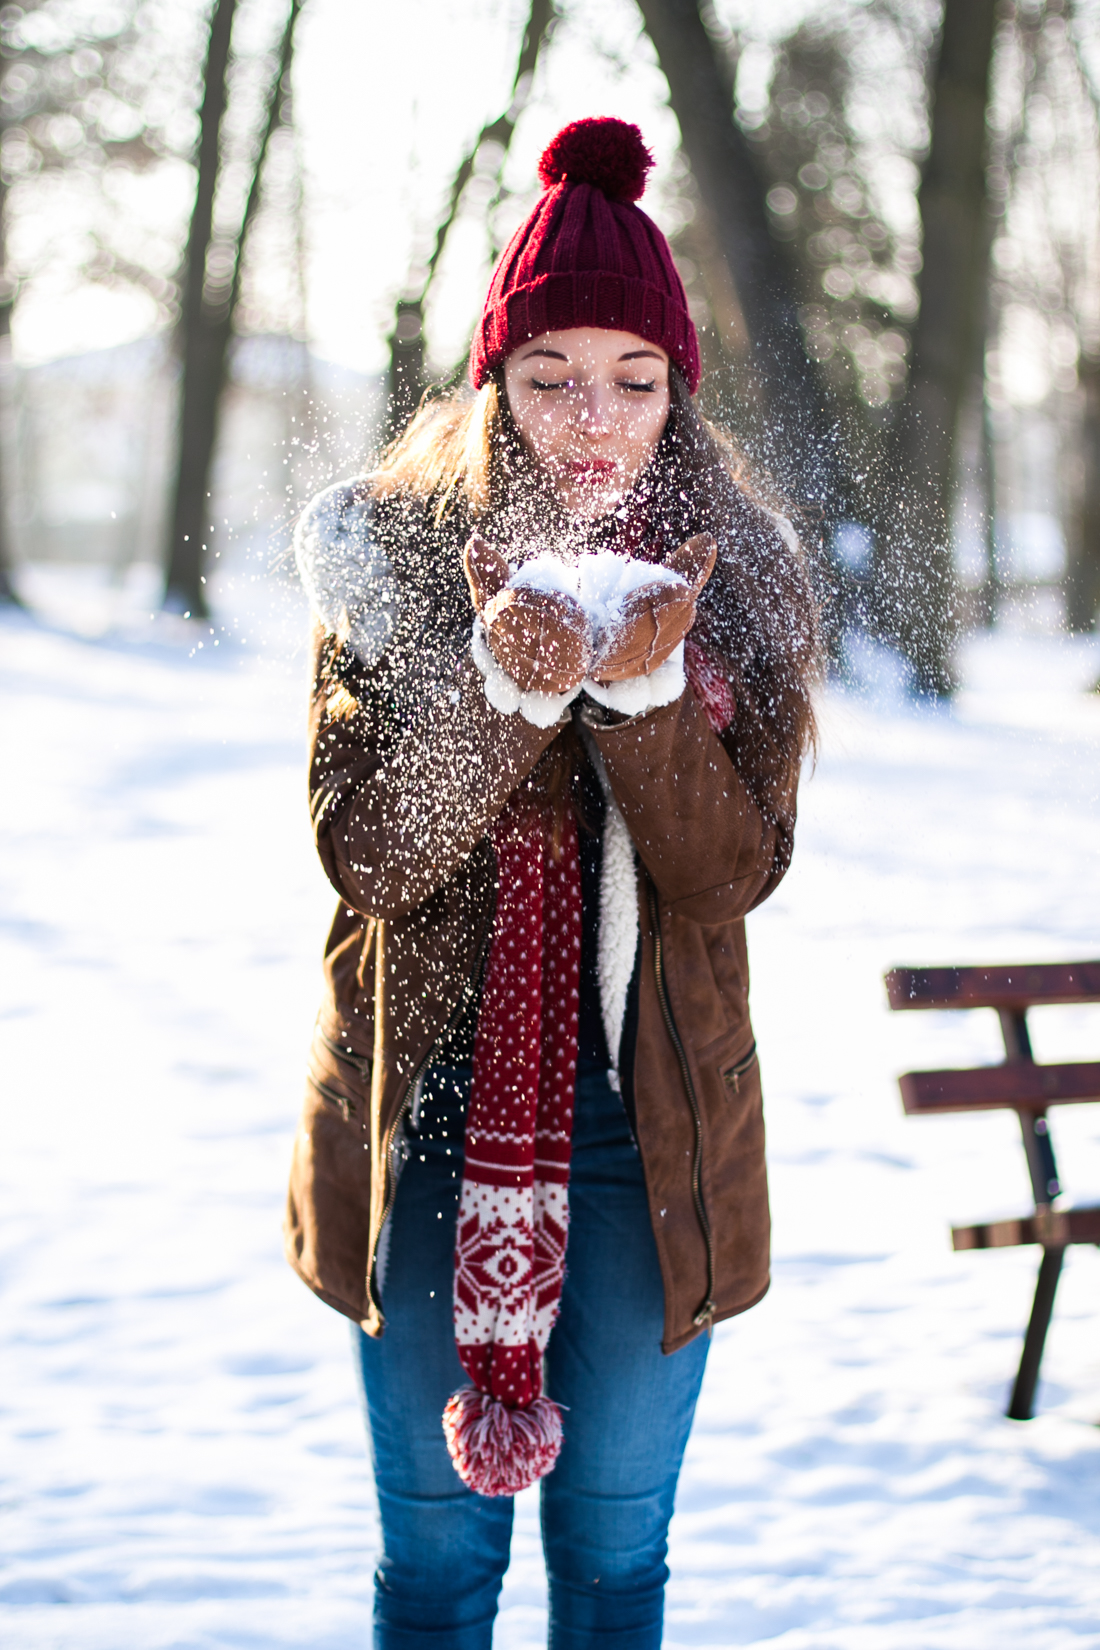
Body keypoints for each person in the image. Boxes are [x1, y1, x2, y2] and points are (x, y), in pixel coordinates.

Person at [284, 116, 820, 1649]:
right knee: (441, 1573)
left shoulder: (738, 584)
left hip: (658, 1156)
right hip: (427, 1134)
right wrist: (499, 696)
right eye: (551, 378)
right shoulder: (387, 566)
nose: (595, 421)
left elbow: (728, 877)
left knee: (612, 1562)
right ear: (493, 388)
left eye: (635, 383)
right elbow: (370, 851)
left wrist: (643, 703)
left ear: (680, 392)